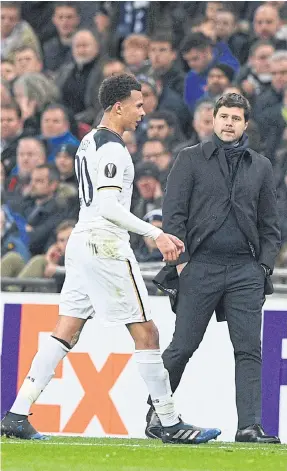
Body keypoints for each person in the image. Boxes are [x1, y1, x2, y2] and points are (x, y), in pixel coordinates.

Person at [1, 74, 220, 445]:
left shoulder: (87, 141)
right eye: (137, 104)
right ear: (118, 106)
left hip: (82, 242)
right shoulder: (114, 149)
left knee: (65, 330)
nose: (142, 111)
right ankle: (167, 420)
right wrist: (156, 233)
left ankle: (17, 413)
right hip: (106, 245)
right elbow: (107, 206)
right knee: (147, 332)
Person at [145, 93, 281, 444]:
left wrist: (263, 266)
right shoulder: (189, 159)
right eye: (223, 116)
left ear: (245, 124)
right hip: (199, 266)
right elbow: (173, 214)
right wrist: (183, 263)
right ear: (213, 119)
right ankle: (157, 412)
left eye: (236, 118)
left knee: (250, 349)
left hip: (245, 271)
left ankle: (249, 426)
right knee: (183, 345)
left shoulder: (261, 166)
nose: (228, 123)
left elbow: (270, 223)